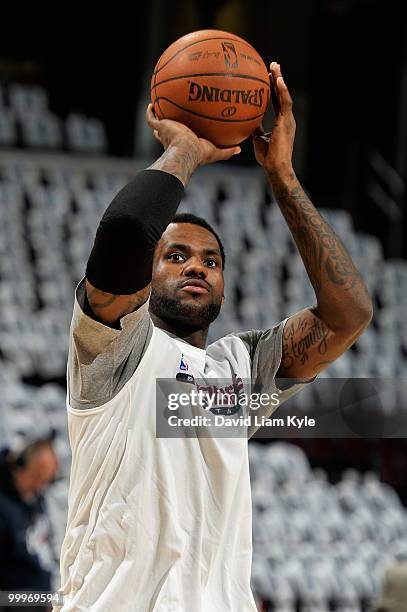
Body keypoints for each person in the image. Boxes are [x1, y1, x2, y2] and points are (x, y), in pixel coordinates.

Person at [55, 63, 373, 611]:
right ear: (145, 274)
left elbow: (349, 314)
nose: (196, 268)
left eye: (211, 260)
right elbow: (128, 231)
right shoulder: (114, 348)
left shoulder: (239, 370)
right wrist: (186, 151)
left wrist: (283, 178)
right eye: (175, 256)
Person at [0, 433, 59, 612]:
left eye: (45, 481)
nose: (39, 487)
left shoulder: (35, 498)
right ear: (19, 467)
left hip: (39, 598)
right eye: (36, 477)